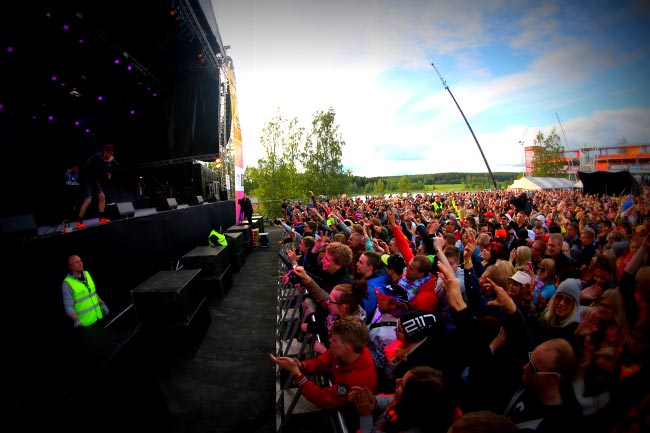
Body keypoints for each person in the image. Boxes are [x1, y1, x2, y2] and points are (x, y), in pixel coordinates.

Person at [270, 316, 378, 427]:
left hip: (350, 419)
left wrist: (298, 375)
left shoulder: (358, 381)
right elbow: (320, 363)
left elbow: (323, 398)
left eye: (334, 340)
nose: (329, 340)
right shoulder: (345, 351)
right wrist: (300, 365)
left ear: (348, 348)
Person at [503, 338, 582, 432]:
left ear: (553, 378)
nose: (525, 367)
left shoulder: (559, 422)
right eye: (530, 356)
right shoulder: (527, 378)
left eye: (533, 367)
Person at [61, 255, 109, 327]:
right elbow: (68, 307)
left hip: (99, 317)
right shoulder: (67, 284)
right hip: (86, 324)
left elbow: (93, 293)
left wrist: (102, 303)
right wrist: (76, 320)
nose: (80, 263)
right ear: (70, 267)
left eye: (80, 261)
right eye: (76, 262)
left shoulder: (87, 274)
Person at [76, 144, 115, 228]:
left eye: (112, 154)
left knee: (102, 197)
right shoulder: (97, 157)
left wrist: (109, 172)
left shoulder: (103, 159)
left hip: (93, 180)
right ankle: (79, 221)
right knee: (88, 199)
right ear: (105, 152)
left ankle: (101, 218)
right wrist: (108, 163)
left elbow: (104, 170)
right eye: (110, 153)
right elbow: (101, 168)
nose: (111, 155)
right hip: (86, 180)